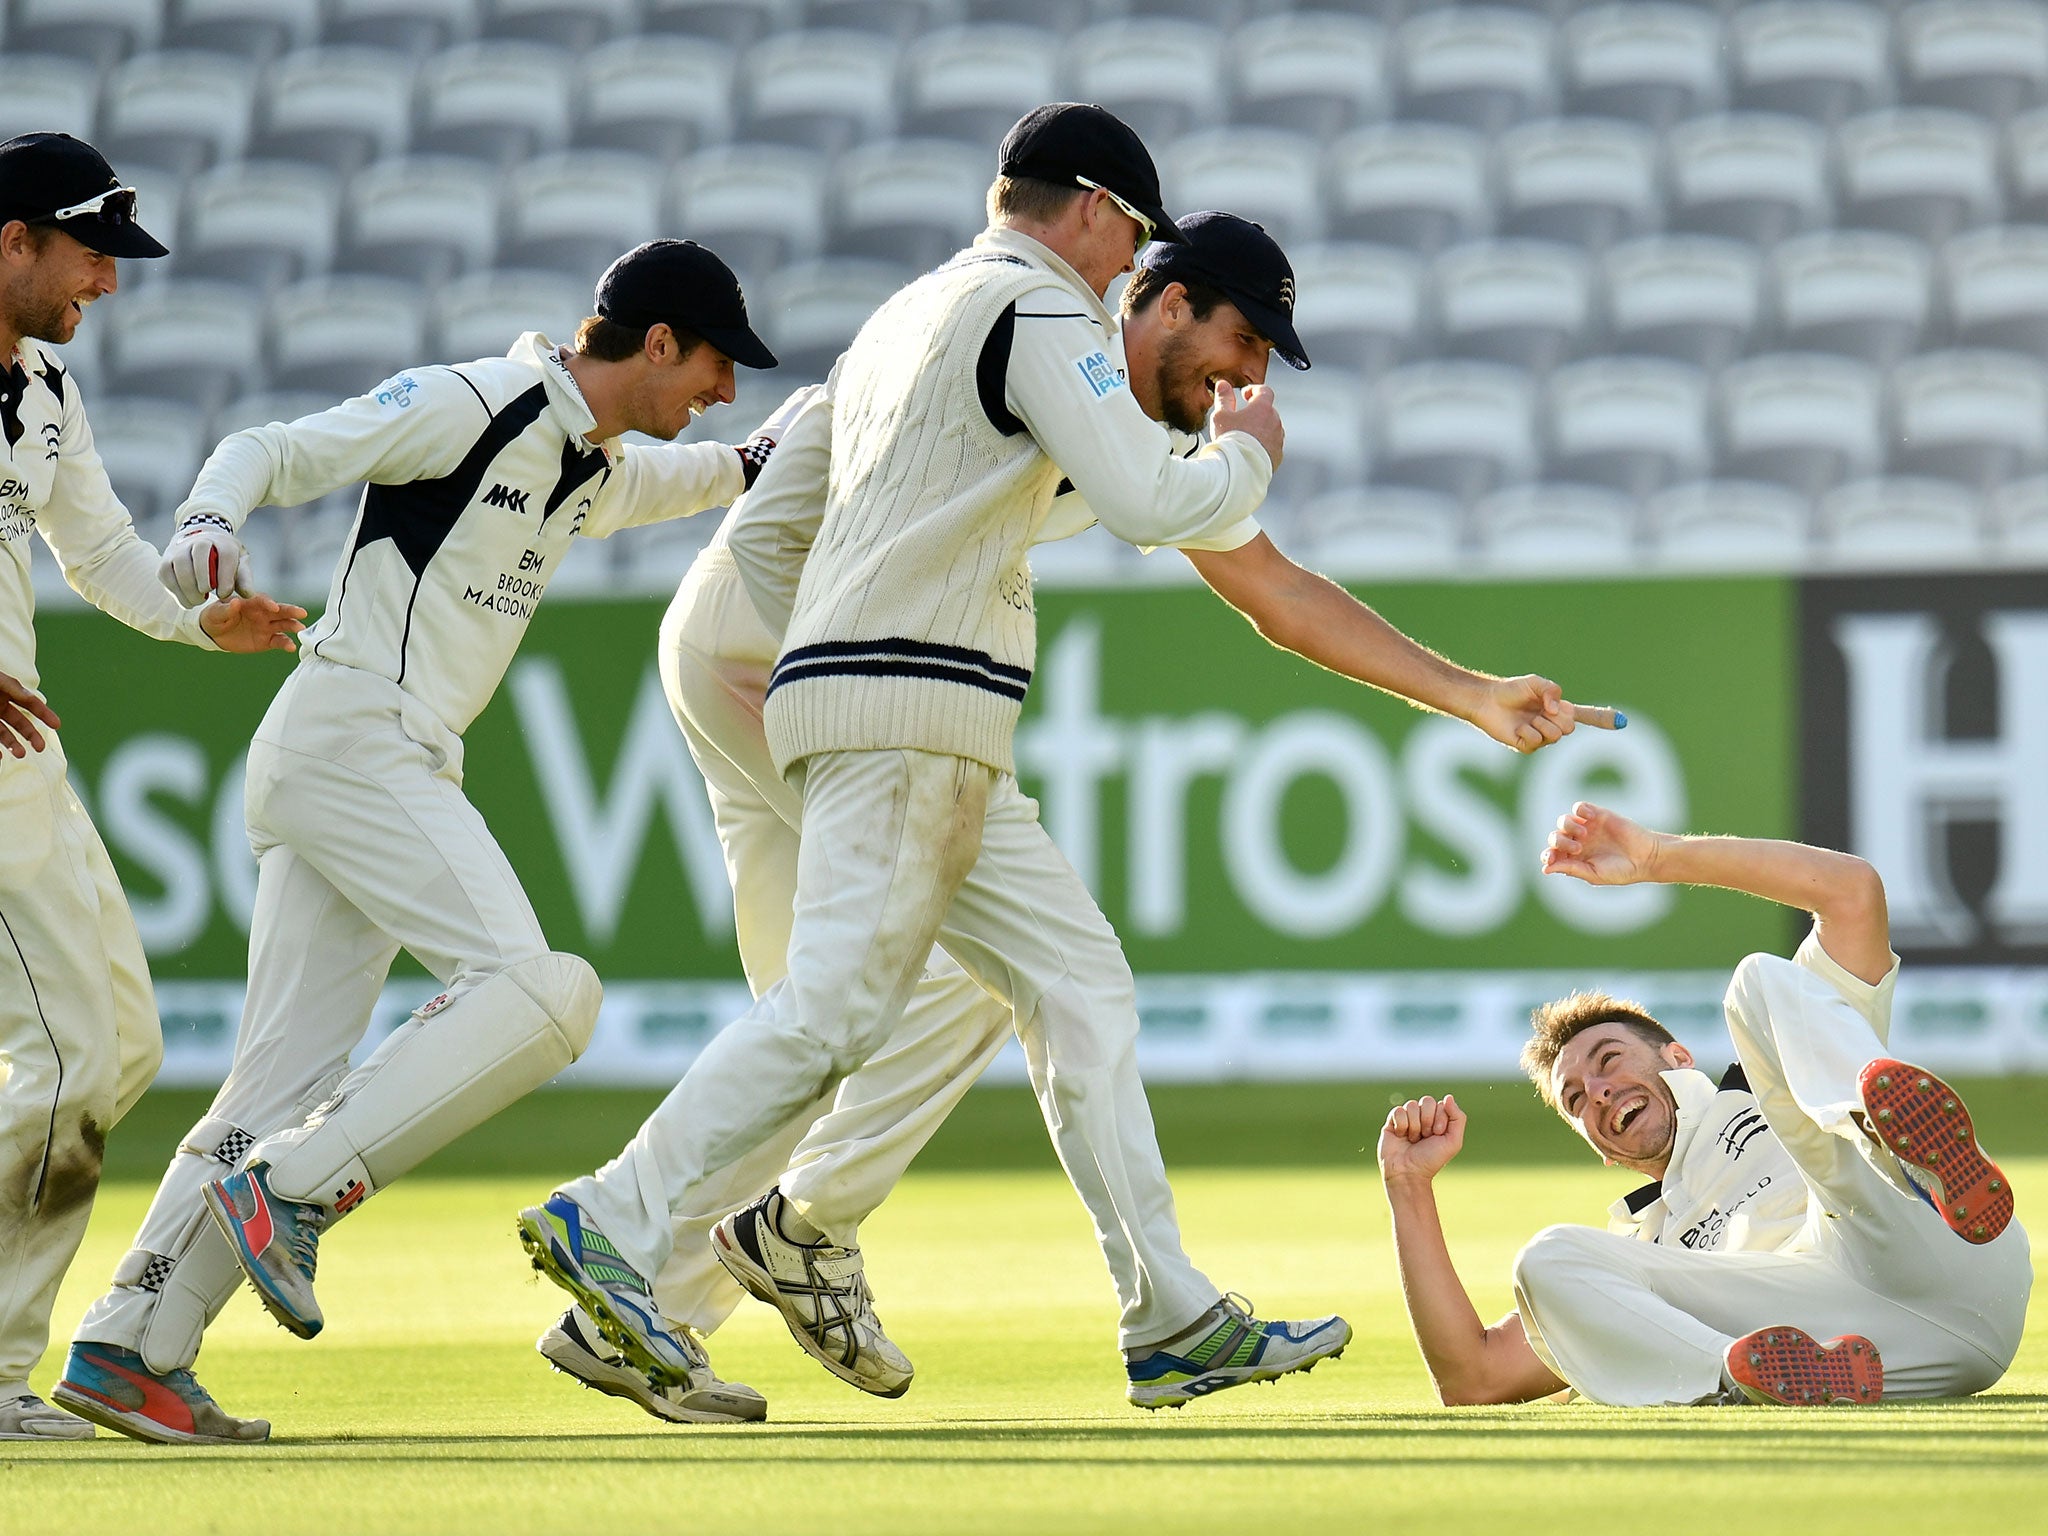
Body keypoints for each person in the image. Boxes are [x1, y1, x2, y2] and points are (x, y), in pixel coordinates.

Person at [519, 105, 1618, 1418]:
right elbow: (1172, 506)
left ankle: (1164, 1317)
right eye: (1241, 347)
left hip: (909, 710)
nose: (1242, 382)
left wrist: (1471, 695)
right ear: (1107, 223)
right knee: (834, 1015)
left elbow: (779, 537)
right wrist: (1243, 459)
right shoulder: (1043, 318)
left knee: (1072, 985)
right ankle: (616, 1220)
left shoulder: (911, 330)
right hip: (902, 708)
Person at [55, 240, 797, 1445]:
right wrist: (205, 522)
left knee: (273, 1088)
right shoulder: (472, 401)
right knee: (544, 991)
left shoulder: (587, 463)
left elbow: (703, 473)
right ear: (655, 341)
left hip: (359, 758)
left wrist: (777, 453)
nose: (720, 391)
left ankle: (129, 1344)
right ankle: (293, 1187)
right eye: (714, 365)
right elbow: (271, 449)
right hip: (355, 739)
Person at [0, 131, 305, 1442]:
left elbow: (106, 556)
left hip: (26, 764)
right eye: (89, 253)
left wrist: (200, 623)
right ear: (13, 239)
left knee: (121, 1049)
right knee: (64, 1064)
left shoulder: (46, 392)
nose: (107, 283)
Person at [1376, 801, 2031, 1408]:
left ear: (1679, 1058)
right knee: (1548, 1258)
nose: (1599, 1093)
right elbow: (1475, 1377)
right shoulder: (1641, 1253)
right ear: (1601, 1150)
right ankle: (1739, 1376)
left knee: (1757, 981)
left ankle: (1904, 1149)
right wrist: (1408, 1187)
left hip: (1928, 1241)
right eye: (1576, 1101)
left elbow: (1852, 891)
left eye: (1608, 1061)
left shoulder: (1769, 1082)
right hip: (1863, 1352)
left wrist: (1658, 857)